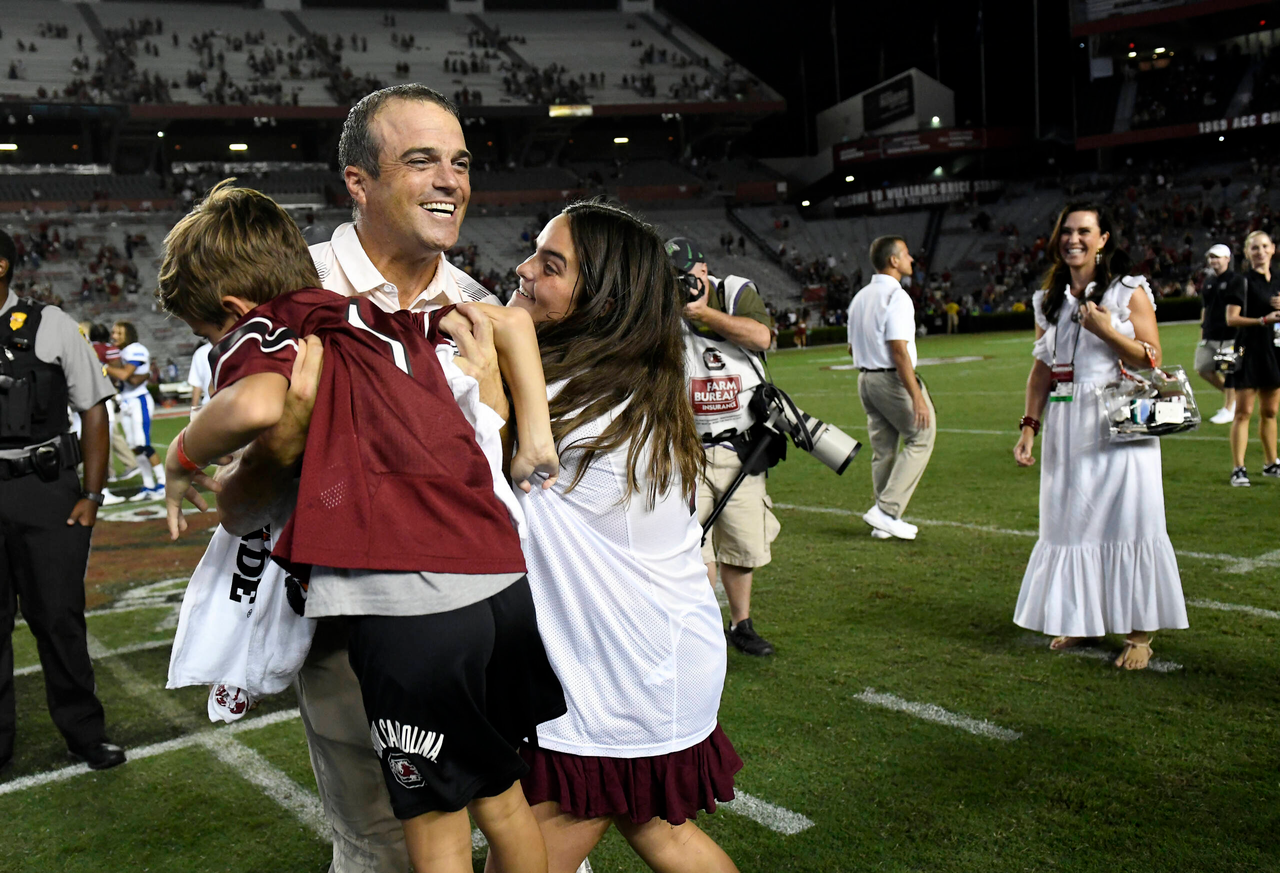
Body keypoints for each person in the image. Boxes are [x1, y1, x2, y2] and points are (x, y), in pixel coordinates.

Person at [157, 182, 565, 873]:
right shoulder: (374, 315)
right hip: (502, 582)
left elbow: (256, 403)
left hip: (414, 602)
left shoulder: (267, 327)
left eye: (207, 335)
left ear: (229, 309)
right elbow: (513, 325)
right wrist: (537, 437)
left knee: (434, 825)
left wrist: (180, 455)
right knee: (502, 798)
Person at [210, 84, 505, 873]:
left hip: (483, 617)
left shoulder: (478, 308)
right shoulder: (291, 301)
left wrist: (501, 403)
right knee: (381, 847)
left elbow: (513, 488)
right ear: (358, 181)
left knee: (518, 820)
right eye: (421, 160)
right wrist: (286, 441)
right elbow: (235, 507)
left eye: (460, 162)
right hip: (348, 632)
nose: (451, 180)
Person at [502, 202, 740, 873]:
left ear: (603, 300)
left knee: (526, 863)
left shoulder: (582, 395)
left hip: (628, 667)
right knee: (660, 833)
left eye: (551, 264)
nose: (523, 270)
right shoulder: (620, 377)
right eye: (534, 251)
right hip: (635, 652)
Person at [1012, 203, 1186, 670]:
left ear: (1104, 238)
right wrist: (1029, 428)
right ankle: (1083, 619)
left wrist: (1106, 330)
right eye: (1066, 230)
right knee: (1070, 523)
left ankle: (1140, 634)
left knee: (1130, 518)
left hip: (1119, 419)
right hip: (1068, 425)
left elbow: (1152, 358)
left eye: (1084, 231)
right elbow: (1040, 372)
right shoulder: (1046, 300)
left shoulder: (1129, 289)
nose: (1074, 239)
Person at [0, 228, 125, 773]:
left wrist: (92, 494)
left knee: (59, 619)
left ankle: (84, 733)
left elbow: (93, 408)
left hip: (46, 491)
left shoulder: (49, 324)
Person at [666, 236, 779, 657]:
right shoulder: (663, 305)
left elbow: (762, 337)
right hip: (686, 447)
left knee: (743, 543)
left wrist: (704, 312)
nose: (685, 286)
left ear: (704, 270)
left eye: (689, 277)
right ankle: (704, 626)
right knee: (694, 542)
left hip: (740, 446)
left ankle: (741, 623)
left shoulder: (735, 291)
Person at [847, 236, 935, 541]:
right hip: (889, 379)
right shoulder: (897, 297)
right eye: (907, 254)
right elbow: (898, 350)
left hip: (865, 379)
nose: (912, 259)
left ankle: (881, 521)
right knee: (922, 435)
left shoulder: (860, 297)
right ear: (894, 261)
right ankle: (885, 511)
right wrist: (917, 397)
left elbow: (850, 347)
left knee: (883, 451)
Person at [1224, 230, 1280, 486]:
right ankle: (1239, 468)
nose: (1260, 252)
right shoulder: (1241, 281)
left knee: (1270, 411)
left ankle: (1271, 463)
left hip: (1274, 349)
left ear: (1273, 249)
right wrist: (1262, 320)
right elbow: (1231, 318)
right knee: (1243, 412)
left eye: (1264, 246)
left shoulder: (1278, 280)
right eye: (1254, 248)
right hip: (1247, 349)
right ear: (1247, 253)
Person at [104, 320, 165, 501]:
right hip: (127, 402)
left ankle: (162, 483)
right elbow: (127, 378)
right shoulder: (123, 352)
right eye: (113, 332)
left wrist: (104, 366)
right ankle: (148, 486)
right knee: (134, 446)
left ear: (127, 335)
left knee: (143, 444)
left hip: (139, 401)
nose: (113, 336)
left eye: (118, 333)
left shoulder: (135, 349)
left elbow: (125, 376)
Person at [1196, 244, 1242, 425]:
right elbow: (1205, 308)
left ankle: (1229, 408)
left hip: (1229, 334)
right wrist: (1202, 330)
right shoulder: (1208, 281)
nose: (1213, 260)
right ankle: (1232, 399)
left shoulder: (1235, 279)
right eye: (1211, 257)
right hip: (1210, 333)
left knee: (1230, 372)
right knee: (1203, 369)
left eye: (1217, 257)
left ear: (1227, 259)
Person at [187, 339, 212, 412]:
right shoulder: (201, 353)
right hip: (209, 407)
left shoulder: (237, 347)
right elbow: (197, 386)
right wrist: (194, 412)